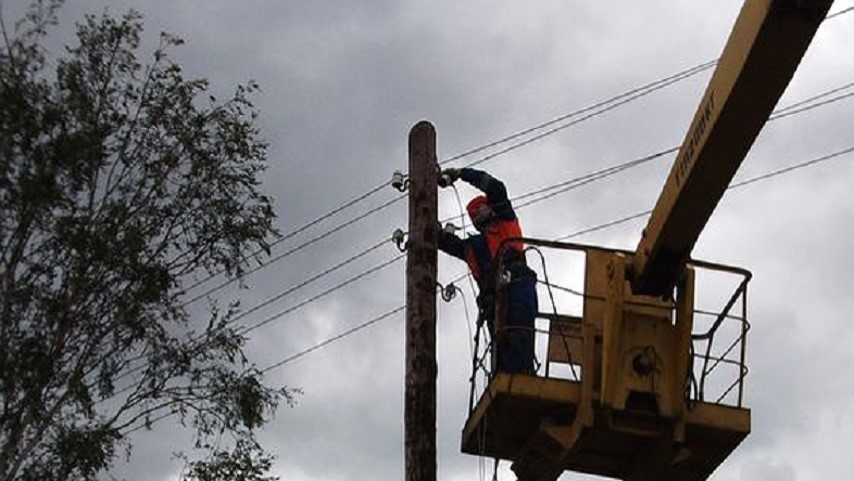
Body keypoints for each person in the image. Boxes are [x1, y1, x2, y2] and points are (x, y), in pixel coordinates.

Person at [437, 167, 538, 374]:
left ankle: (518, 375)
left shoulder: (504, 221)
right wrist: (432, 230)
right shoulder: (476, 244)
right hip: (497, 297)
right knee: (506, 344)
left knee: (517, 337)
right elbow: (447, 243)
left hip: (515, 285)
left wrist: (462, 173)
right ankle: (510, 375)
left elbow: (497, 188)